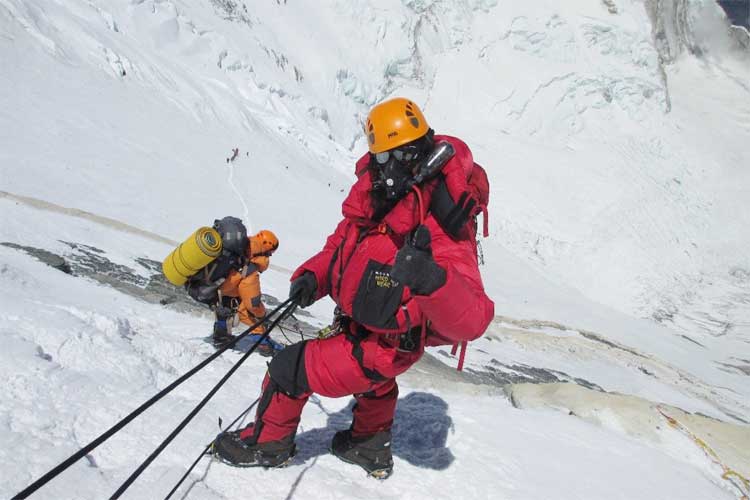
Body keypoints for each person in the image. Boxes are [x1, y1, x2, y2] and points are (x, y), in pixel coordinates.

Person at [212, 98, 494, 477]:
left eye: (395, 156)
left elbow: (473, 319)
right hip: (375, 339)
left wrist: (431, 280)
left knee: (289, 369)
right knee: (376, 385)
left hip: (381, 345)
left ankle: (267, 445)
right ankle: (368, 446)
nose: (386, 167)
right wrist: (315, 276)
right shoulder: (381, 199)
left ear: (416, 152)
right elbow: (342, 248)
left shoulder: (441, 223)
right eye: (381, 157)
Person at [206, 218, 283, 356]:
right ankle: (263, 343)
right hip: (224, 288)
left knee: (226, 305)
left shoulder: (239, 249)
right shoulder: (250, 267)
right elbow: (252, 303)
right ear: (266, 248)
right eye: (270, 252)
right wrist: (262, 315)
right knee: (249, 310)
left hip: (214, 283)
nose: (270, 255)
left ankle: (221, 336)